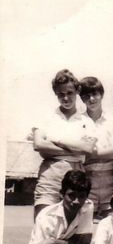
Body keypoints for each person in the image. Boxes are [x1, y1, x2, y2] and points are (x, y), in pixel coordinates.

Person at [33, 69, 95, 218]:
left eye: (70, 93)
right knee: (43, 223)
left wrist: (56, 140)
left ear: (77, 91)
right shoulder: (46, 117)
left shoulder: (86, 121)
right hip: (50, 175)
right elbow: (38, 145)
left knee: (70, 230)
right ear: (56, 93)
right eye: (61, 94)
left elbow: (87, 148)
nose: (66, 98)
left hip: (76, 175)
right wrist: (75, 149)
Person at [79, 76, 113, 220]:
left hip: (110, 179)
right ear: (81, 98)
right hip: (86, 178)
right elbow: (77, 153)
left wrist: (93, 154)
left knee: (110, 223)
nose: (91, 99)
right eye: (86, 96)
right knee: (85, 226)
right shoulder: (78, 121)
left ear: (102, 95)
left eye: (95, 94)